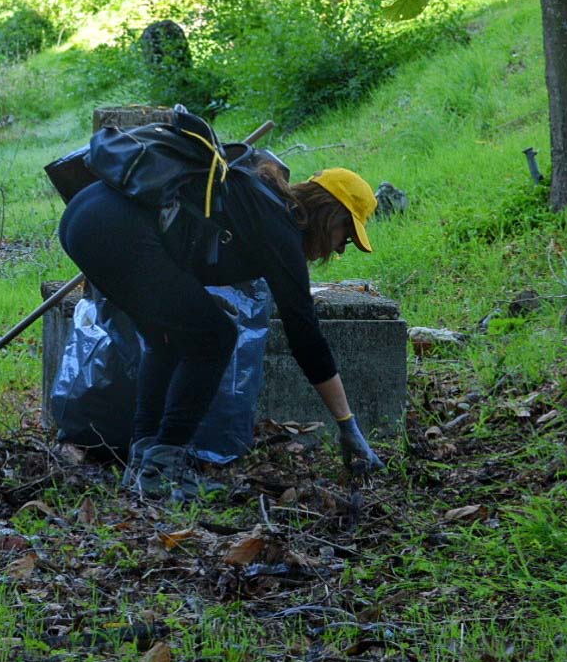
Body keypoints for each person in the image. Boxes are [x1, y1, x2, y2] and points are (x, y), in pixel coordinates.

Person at [58, 163, 385, 500]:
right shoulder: (281, 232)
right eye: (345, 237)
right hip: (112, 228)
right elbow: (306, 338)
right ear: (331, 217)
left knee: (167, 337)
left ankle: (145, 462)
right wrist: (346, 424)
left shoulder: (264, 201)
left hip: (84, 216)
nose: (341, 249)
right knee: (214, 338)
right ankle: (162, 469)